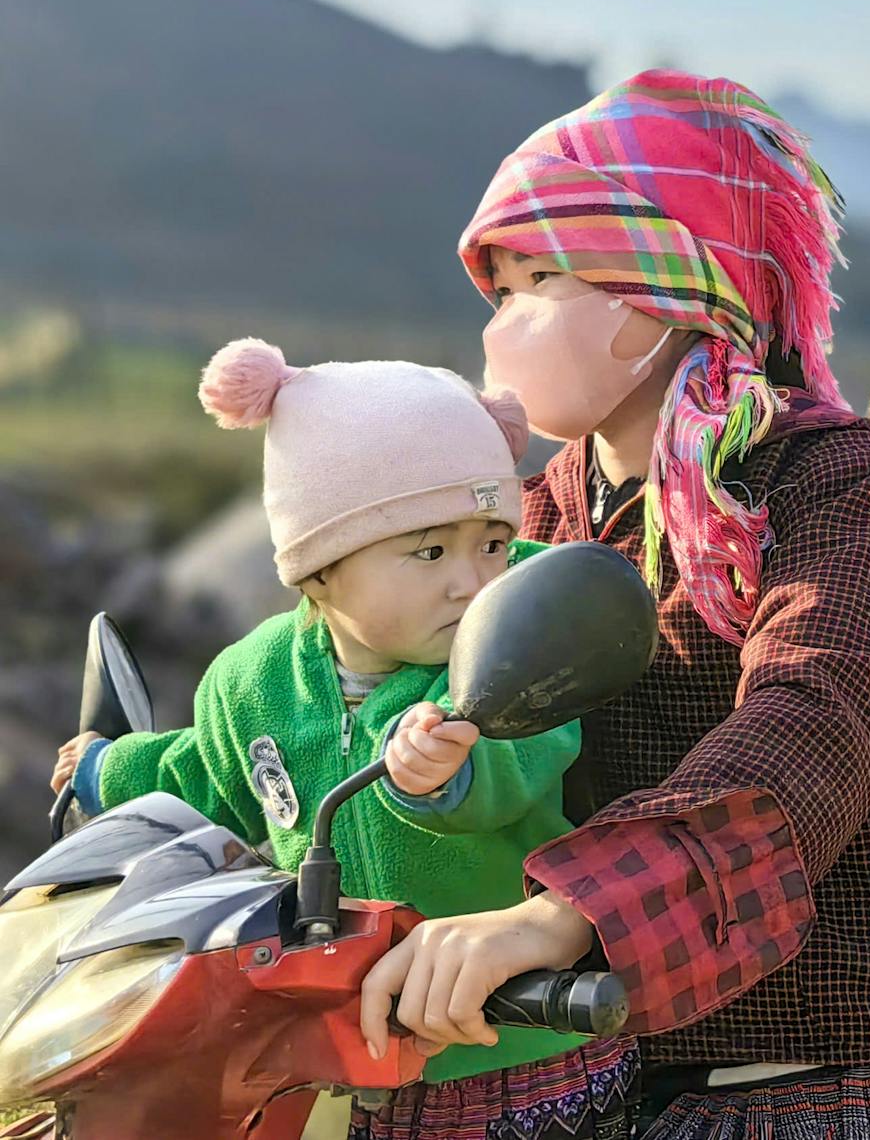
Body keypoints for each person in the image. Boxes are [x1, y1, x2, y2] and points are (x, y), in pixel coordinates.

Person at [357, 70, 870, 1140]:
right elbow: (391, 663)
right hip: (605, 1065)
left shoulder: (831, 481)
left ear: (661, 292)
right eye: (498, 293)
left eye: (538, 278)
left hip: (835, 1072)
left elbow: (813, 719)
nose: (506, 325)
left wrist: (563, 913)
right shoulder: (540, 506)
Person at [50, 339, 635, 1140]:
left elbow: (521, 760)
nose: (472, 580)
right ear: (319, 567)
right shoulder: (250, 678)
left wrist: (442, 774)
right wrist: (105, 771)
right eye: (428, 551)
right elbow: (209, 774)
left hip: (516, 1045)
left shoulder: (506, 654)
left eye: (492, 544)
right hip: (339, 1050)